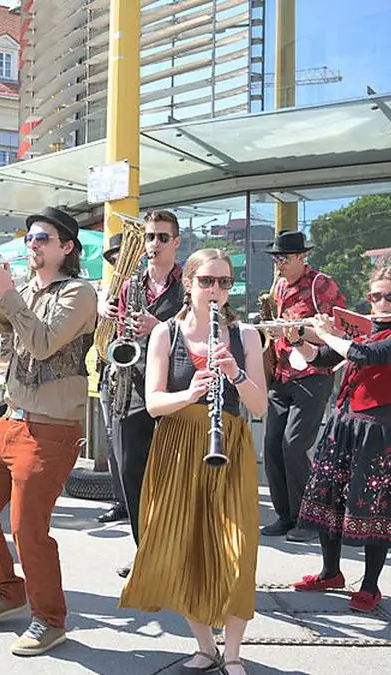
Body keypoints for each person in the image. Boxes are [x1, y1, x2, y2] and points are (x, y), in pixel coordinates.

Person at [0, 206, 97, 656]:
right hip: (12, 419)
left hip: (53, 427)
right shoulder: (19, 291)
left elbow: (41, 344)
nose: (31, 245)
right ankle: (6, 590)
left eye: (41, 238)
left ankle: (49, 619)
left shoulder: (79, 293)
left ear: (66, 247)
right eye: (29, 239)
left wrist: (8, 294)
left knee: (27, 529)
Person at [119, 249, 266, 675]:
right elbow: (152, 404)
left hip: (230, 446)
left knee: (238, 552)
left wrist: (236, 373)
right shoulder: (165, 332)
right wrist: (190, 394)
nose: (215, 290)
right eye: (206, 281)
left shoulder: (248, 336)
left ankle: (234, 654)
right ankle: (205, 646)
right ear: (190, 284)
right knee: (183, 549)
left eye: (223, 282)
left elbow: (258, 407)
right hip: (179, 445)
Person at [289, 267, 391, 613]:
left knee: (374, 509)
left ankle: (370, 586)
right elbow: (321, 359)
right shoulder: (361, 334)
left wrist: (326, 332)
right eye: (376, 296)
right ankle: (330, 572)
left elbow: (367, 356)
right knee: (328, 498)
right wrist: (298, 340)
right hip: (345, 425)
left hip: (379, 429)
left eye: (390, 296)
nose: (381, 303)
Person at [99, 211, 186, 575]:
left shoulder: (191, 283)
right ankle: (145, 551)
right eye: (150, 237)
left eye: (162, 238)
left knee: (174, 478)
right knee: (132, 471)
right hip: (132, 385)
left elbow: (202, 331)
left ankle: (177, 554)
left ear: (177, 242)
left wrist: (160, 326)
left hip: (176, 388)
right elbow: (118, 333)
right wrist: (108, 314)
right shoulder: (130, 284)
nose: (153, 244)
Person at [261, 231, 347, 542]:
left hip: (312, 374)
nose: (278, 264)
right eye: (275, 259)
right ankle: (286, 515)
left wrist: (295, 330)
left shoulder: (321, 284)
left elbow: (337, 330)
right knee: (272, 446)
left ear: (301, 257)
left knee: (293, 445)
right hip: (281, 375)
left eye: (283, 259)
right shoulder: (279, 286)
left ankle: (310, 518)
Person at [94, 233, 129, 526]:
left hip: (136, 374)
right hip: (109, 371)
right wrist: (101, 308)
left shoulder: (142, 287)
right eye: (115, 256)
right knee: (112, 440)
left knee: (132, 444)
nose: (120, 260)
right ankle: (121, 501)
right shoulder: (108, 288)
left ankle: (135, 500)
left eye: (125, 254)